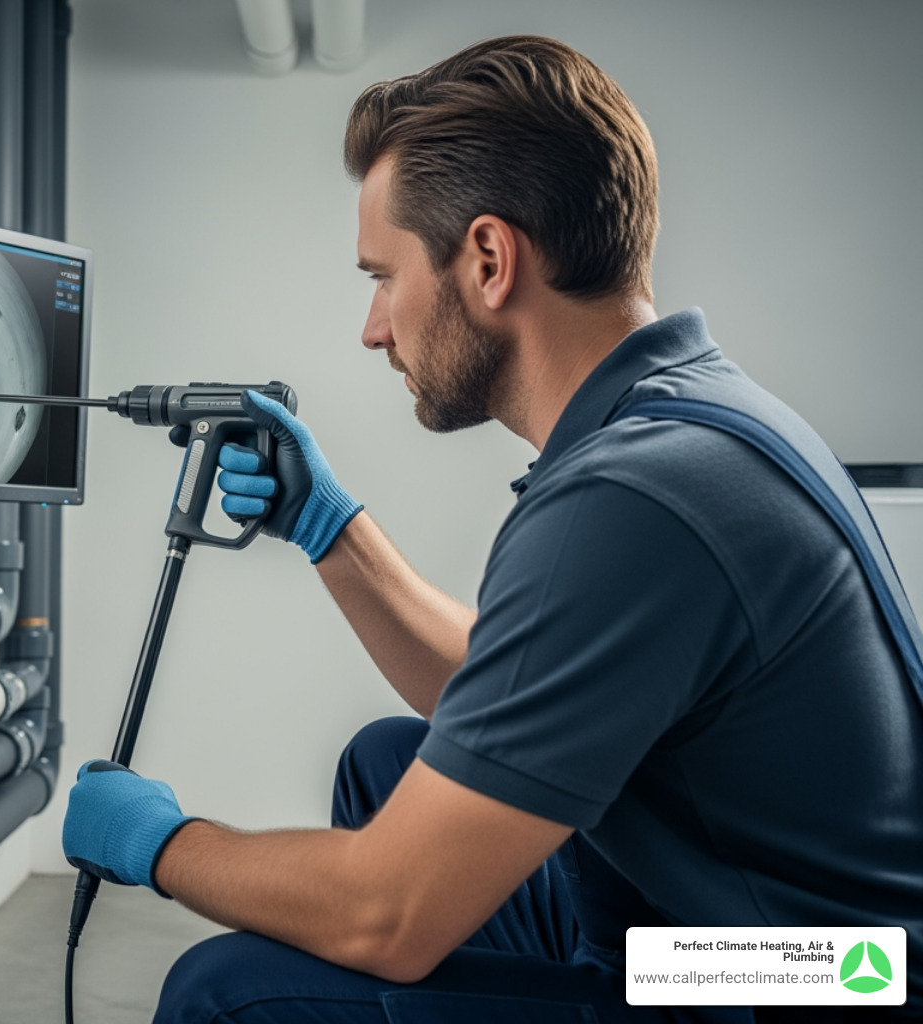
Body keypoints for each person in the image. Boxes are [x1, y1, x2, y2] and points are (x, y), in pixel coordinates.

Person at [61, 35, 923, 1023]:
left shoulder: (631, 503)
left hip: (805, 987)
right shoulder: (684, 419)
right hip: (773, 945)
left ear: (486, 259)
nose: (374, 327)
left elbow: (386, 914)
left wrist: (162, 842)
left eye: (383, 277)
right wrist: (324, 525)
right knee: (388, 761)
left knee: (228, 996)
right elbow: (527, 683)